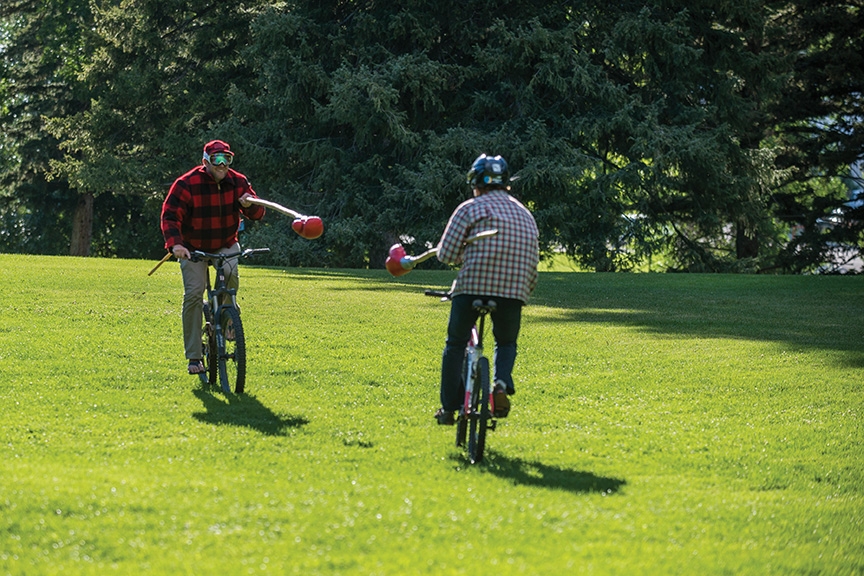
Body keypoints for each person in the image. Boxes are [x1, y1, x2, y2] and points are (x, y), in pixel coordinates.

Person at [434, 154, 539, 425]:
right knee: (505, 342)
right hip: (513, 291)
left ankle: (448, 408)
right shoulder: (525, 214)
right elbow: (533, 262)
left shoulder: (469, 208)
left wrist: (463, 254)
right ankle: (501, 384)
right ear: (506, 184)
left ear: (475, 183)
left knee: (455, 344)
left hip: (472, 287)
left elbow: (445, 254)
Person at [160, 140, 266, 375]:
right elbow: (170, 216)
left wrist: (249, 205)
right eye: (217, 159)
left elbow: (259, 214)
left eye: (226, 159)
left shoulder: (238, 182)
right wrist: (175, 244)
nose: (222, 164)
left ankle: (229, 320)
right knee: (194, 294)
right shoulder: (186, 184)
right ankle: (194, 357)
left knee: (230, 275)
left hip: (225, 243)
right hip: (192, 248)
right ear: (205, 161)